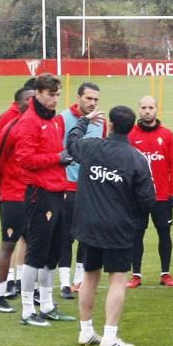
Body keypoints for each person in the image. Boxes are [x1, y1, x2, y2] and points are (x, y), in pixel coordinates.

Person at [67, 105, 156, 346]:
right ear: (132, 127)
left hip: (89, 225)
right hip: (118, 227)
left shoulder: (91, 146)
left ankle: (86, 331)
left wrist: (84, 120)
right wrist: (134, 219)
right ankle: (109, 335)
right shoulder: (136, 158)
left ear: (112, 125)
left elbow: (71, 140)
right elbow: (147, 198)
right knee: (117, 279)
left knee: (89, 276)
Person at [14, 73, 77, 327]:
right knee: (36, 252)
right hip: (40, 193)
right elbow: (24, 159)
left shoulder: (53, 121)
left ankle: (48, 305)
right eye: (51, 95)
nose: (54, 100)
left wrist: (62, 158)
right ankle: (28, 310)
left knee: (53, 250)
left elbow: (53, 153)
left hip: (57, 190)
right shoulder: (29, 122)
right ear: (38, 94)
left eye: (57, 95)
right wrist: (57, 158)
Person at [0, 85, 35, 312]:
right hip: (13, 195)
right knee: (8, 245)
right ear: (19, 102)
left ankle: (31, 294)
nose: (32, 102)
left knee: (34, 245)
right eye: (29, 99)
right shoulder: (10, 124)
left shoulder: (36, 123)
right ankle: (0, 297)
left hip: (34, 194)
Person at [56, 82, 106, 299]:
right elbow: (55, 152)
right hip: (67, 186)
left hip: (90, 189)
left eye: (95, 99)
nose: (92, 103)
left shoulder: (101, 123)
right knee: (66, 236)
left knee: (86, 237)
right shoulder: (62, 119)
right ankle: (64, 283)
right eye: (88, 98)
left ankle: (79, 280)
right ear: (78, 97)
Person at [127, 95, 173, 288]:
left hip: (162, 196)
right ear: (139, 110)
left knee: (164, 234)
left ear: (156, 110)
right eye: (144, 108)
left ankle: (165, 273)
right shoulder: (131, 136)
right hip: (138, 197)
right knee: (136, 234)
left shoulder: (166, 135)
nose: (147, 111)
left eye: (151, 107)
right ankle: (136, 275)